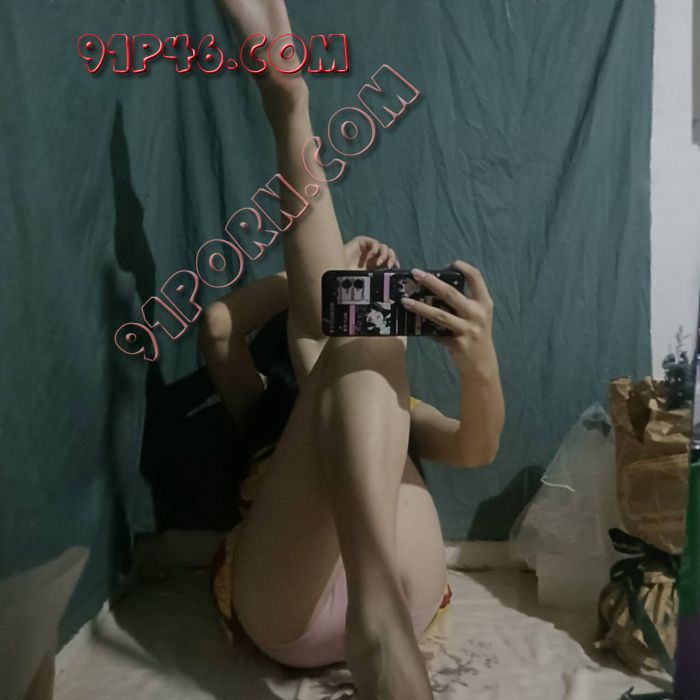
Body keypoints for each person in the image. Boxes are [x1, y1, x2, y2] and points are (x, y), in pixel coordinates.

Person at [200, 2, 505, 697]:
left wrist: (480, 368)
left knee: (366, 340)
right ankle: (290, 110)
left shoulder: (398, 407)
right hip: (291, 595)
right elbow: (219, 325)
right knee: (353, 333)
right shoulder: (266, 406)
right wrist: (322, 274)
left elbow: (475, 448)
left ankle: (378, 620)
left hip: (400, 583)